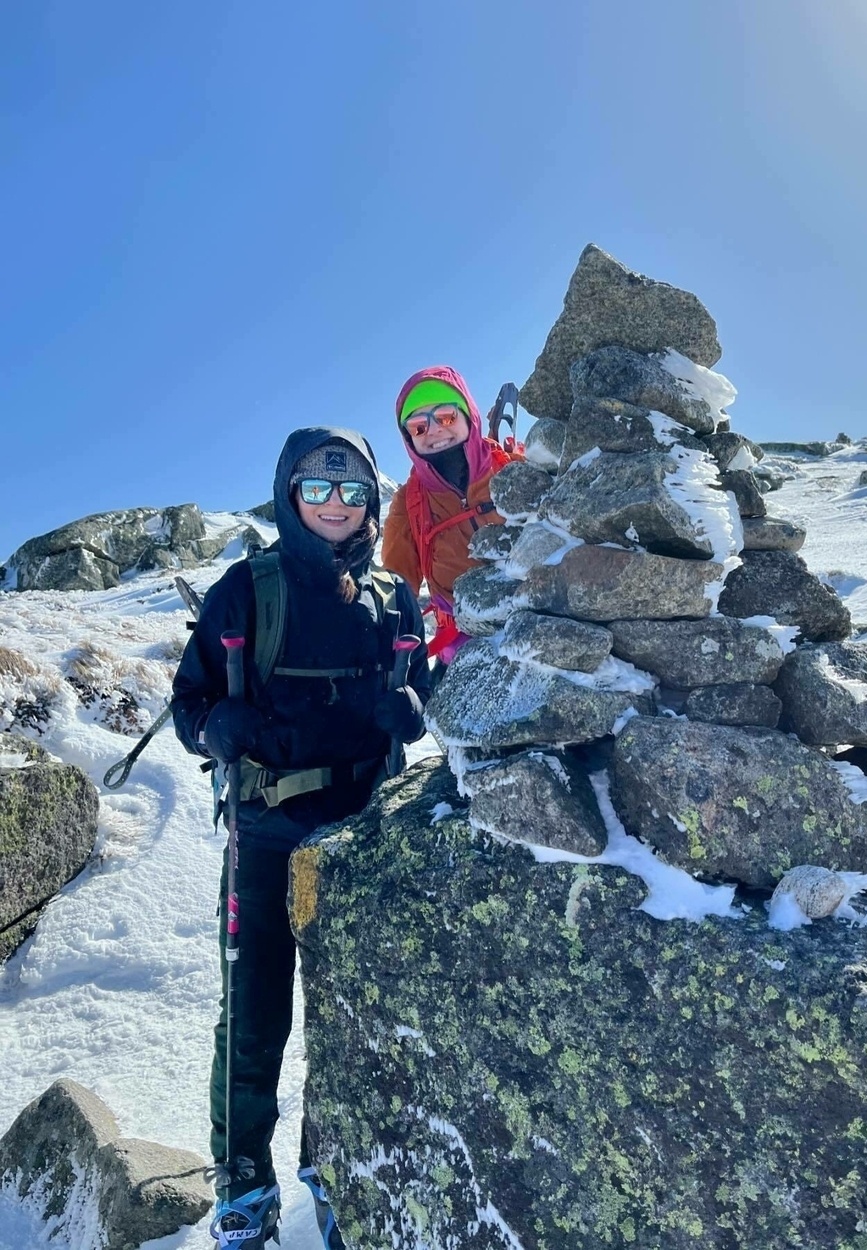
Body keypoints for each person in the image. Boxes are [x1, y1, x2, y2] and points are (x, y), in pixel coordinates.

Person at [172, 426, 430, 1247]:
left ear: (371, 500)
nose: (333, 505)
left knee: (348, 1016)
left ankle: (333, 1166)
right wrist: (217, 727)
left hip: (361, 838)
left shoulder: (393, 598)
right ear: (289, 494)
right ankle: (244, 1181)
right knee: (253, 1014)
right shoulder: (245, 591)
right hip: (266, 833)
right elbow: (190, 701)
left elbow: (420, 682)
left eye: (350, 490)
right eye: (316, 489)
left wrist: (417, 712)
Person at [381, 365, 519, 681]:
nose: (434, 430)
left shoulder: (511, 469)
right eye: (418, 426)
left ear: (467, 415)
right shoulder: (408, 503)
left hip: (532, 628)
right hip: (461, 650)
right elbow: (396, 591)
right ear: (408, 437)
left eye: (445, 417)